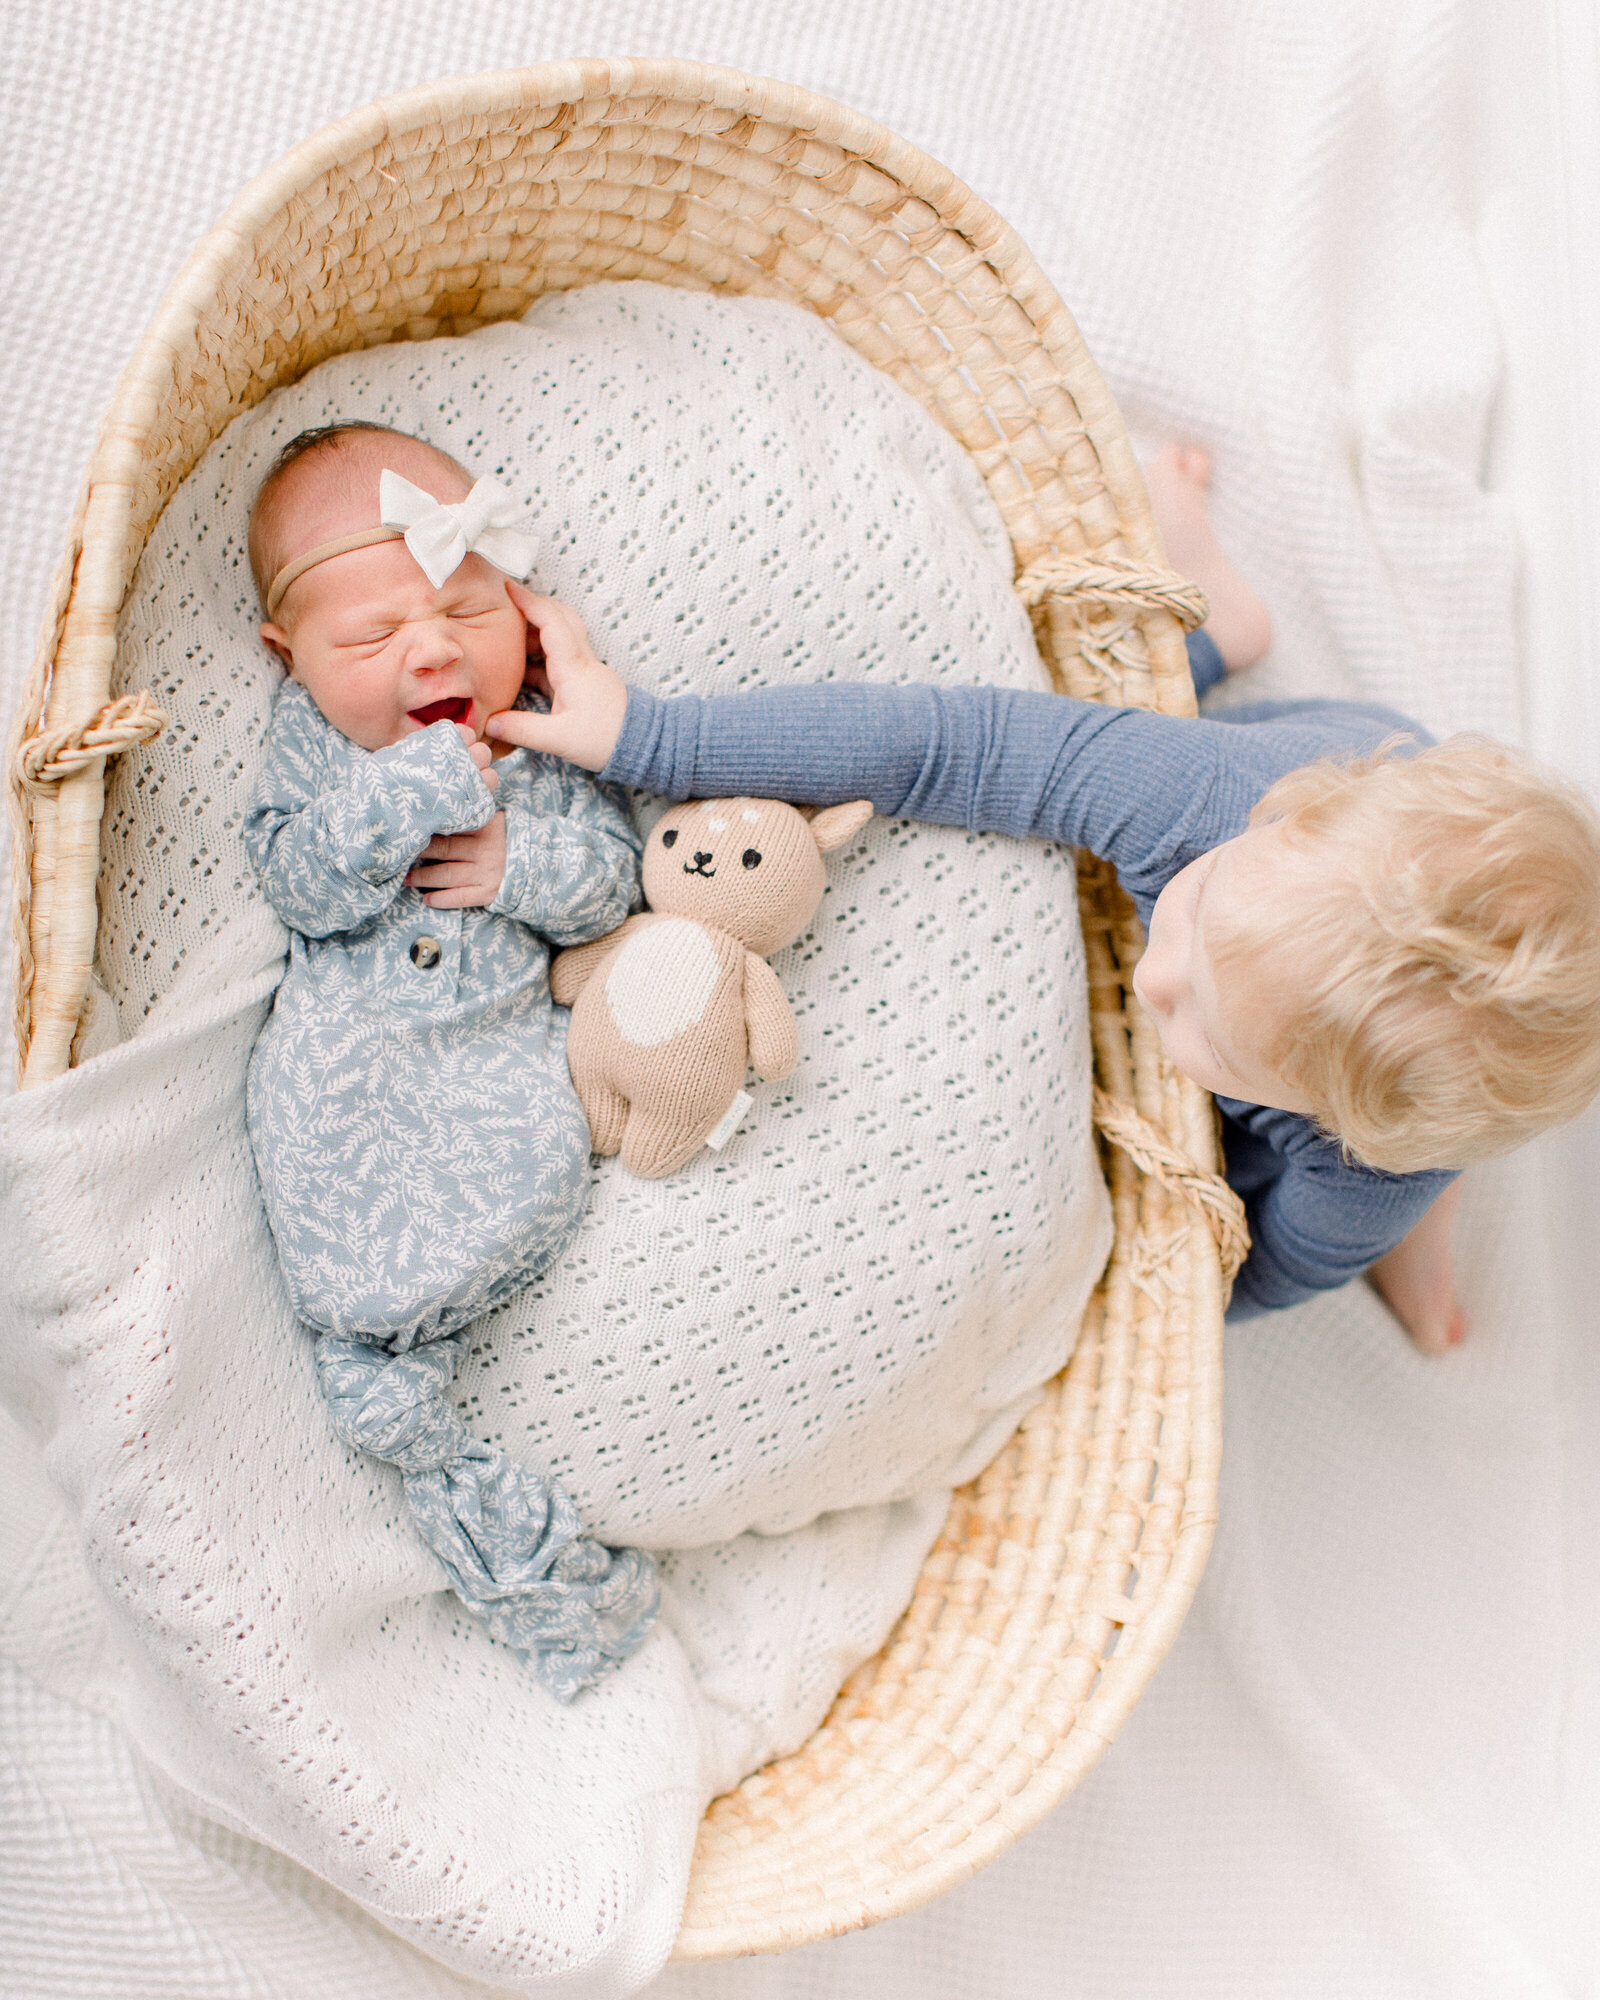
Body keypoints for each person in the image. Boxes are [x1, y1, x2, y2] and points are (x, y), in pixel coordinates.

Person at [486, 447, 1600, 1356]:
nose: (1154, 976)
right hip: (1306, 752)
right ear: (1280, 827)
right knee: (1080, 700)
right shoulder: (1215, 804)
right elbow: (940, 741)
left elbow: (1237, 1276)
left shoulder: (1355, 1168)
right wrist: (650, 737)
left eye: (1200, 1022)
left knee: (1338, 1216)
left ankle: (1424, 1214)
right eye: (1196, 913)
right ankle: (1215, 631)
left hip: (1377, 1133)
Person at [244, 421, 656, 1700]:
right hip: (345, 1067)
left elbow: (609, 885)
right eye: (370, 639)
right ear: (292, 658)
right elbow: (297, 878)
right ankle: (397, 1389)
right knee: (325, 1164)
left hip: (494, 1072)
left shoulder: (541, 730)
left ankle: (428, 1379)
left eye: (465, 607)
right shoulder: (316, 747)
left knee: (534, 1147)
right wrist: (405, 785)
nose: (429, 648)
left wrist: (515, 866)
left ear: (522, 616)